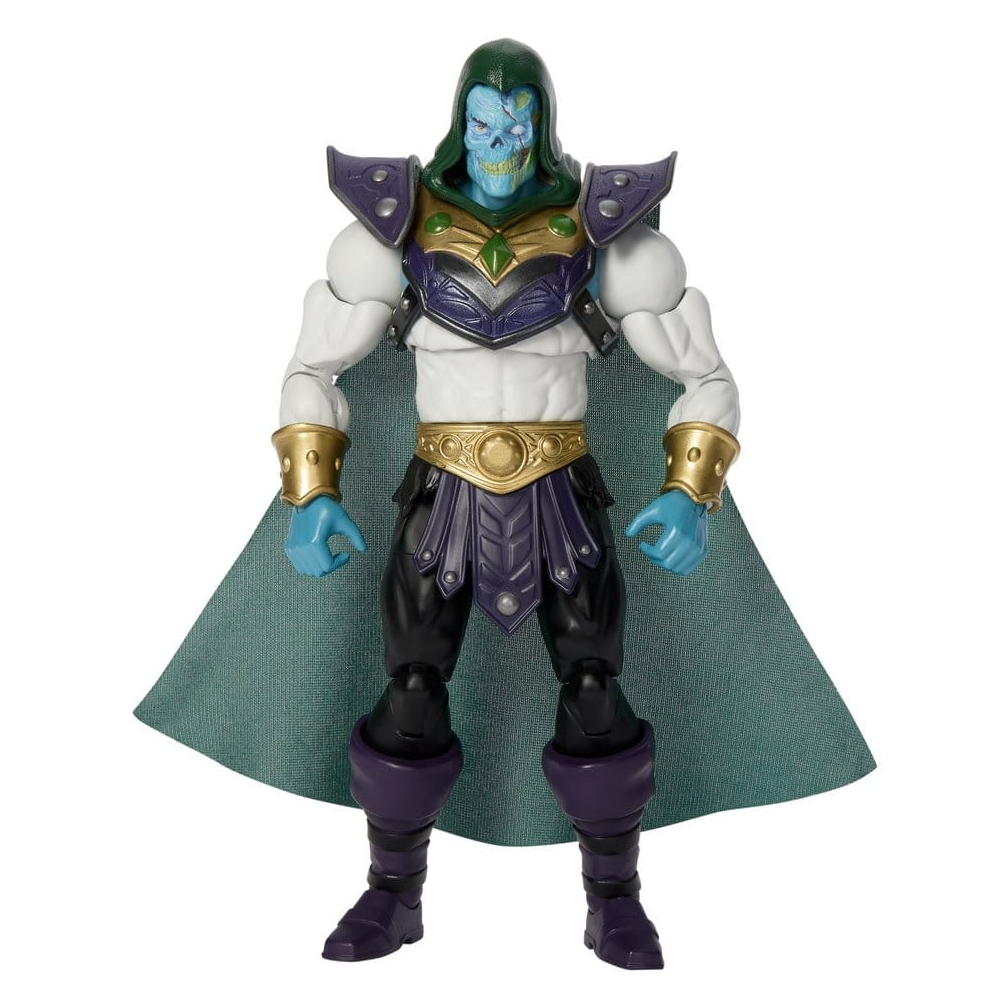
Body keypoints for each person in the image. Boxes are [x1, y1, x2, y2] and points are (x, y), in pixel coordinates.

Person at [136, 36, 874, 973]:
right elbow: (311, 368)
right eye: (484, 123)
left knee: (596, 693)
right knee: (409, 692)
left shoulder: (606, 233)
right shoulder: (393, 230)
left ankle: (615, 902)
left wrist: (692, 494)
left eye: (517, 123)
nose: (500, 142)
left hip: (562, 498)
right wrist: (312, 493)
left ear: (542, 125)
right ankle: (393, 894)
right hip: (438, 498)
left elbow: (706, 375)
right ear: (460, 124)